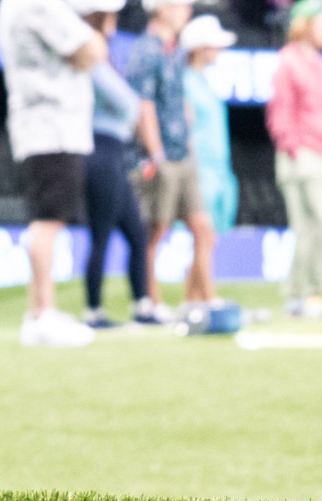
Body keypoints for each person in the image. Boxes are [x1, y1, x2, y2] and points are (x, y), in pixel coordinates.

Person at [0, 0, 108, 346]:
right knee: (48, 220)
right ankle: (42, 314)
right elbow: (92, 50)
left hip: (44, 127)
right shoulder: (38, 3)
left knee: (49, 219)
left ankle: (41, 312)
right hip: (51, 128)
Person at [126, 0, 219, 313]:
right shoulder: (147, 51)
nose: (187, 12)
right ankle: (151, 302)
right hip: (161, 159)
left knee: (204, 231)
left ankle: (199, 301)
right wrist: (157, 154)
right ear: (163, 8)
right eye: (182, 5)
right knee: (155, 232)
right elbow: (144, 106)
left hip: (183, 155)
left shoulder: (172, 51)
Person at [78, 1, 152, 329]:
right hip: (101, 151)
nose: (117, 19)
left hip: (114, 153)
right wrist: (133, 106)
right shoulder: (90, 58)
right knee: (102, 235)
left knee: (137, 234)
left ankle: (142, 305)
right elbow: (128, 104)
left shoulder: (104, 56)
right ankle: (94, 311)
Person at [266, 0, 322, 317]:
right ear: (306, 25)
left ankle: (303, 294)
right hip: (301, 155)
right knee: (314, 223)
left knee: (317, 226)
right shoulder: (288, 62)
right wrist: (293, 147)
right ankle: (306, 291)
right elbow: (280, 112)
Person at [183, 15, 241, 237]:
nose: (220, 50)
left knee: (210, 241)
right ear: (200, 48)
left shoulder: (205, 82)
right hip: (200, 172)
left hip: (220, 171)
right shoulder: (185, 82)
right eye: (215, 46)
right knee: (202, 239)